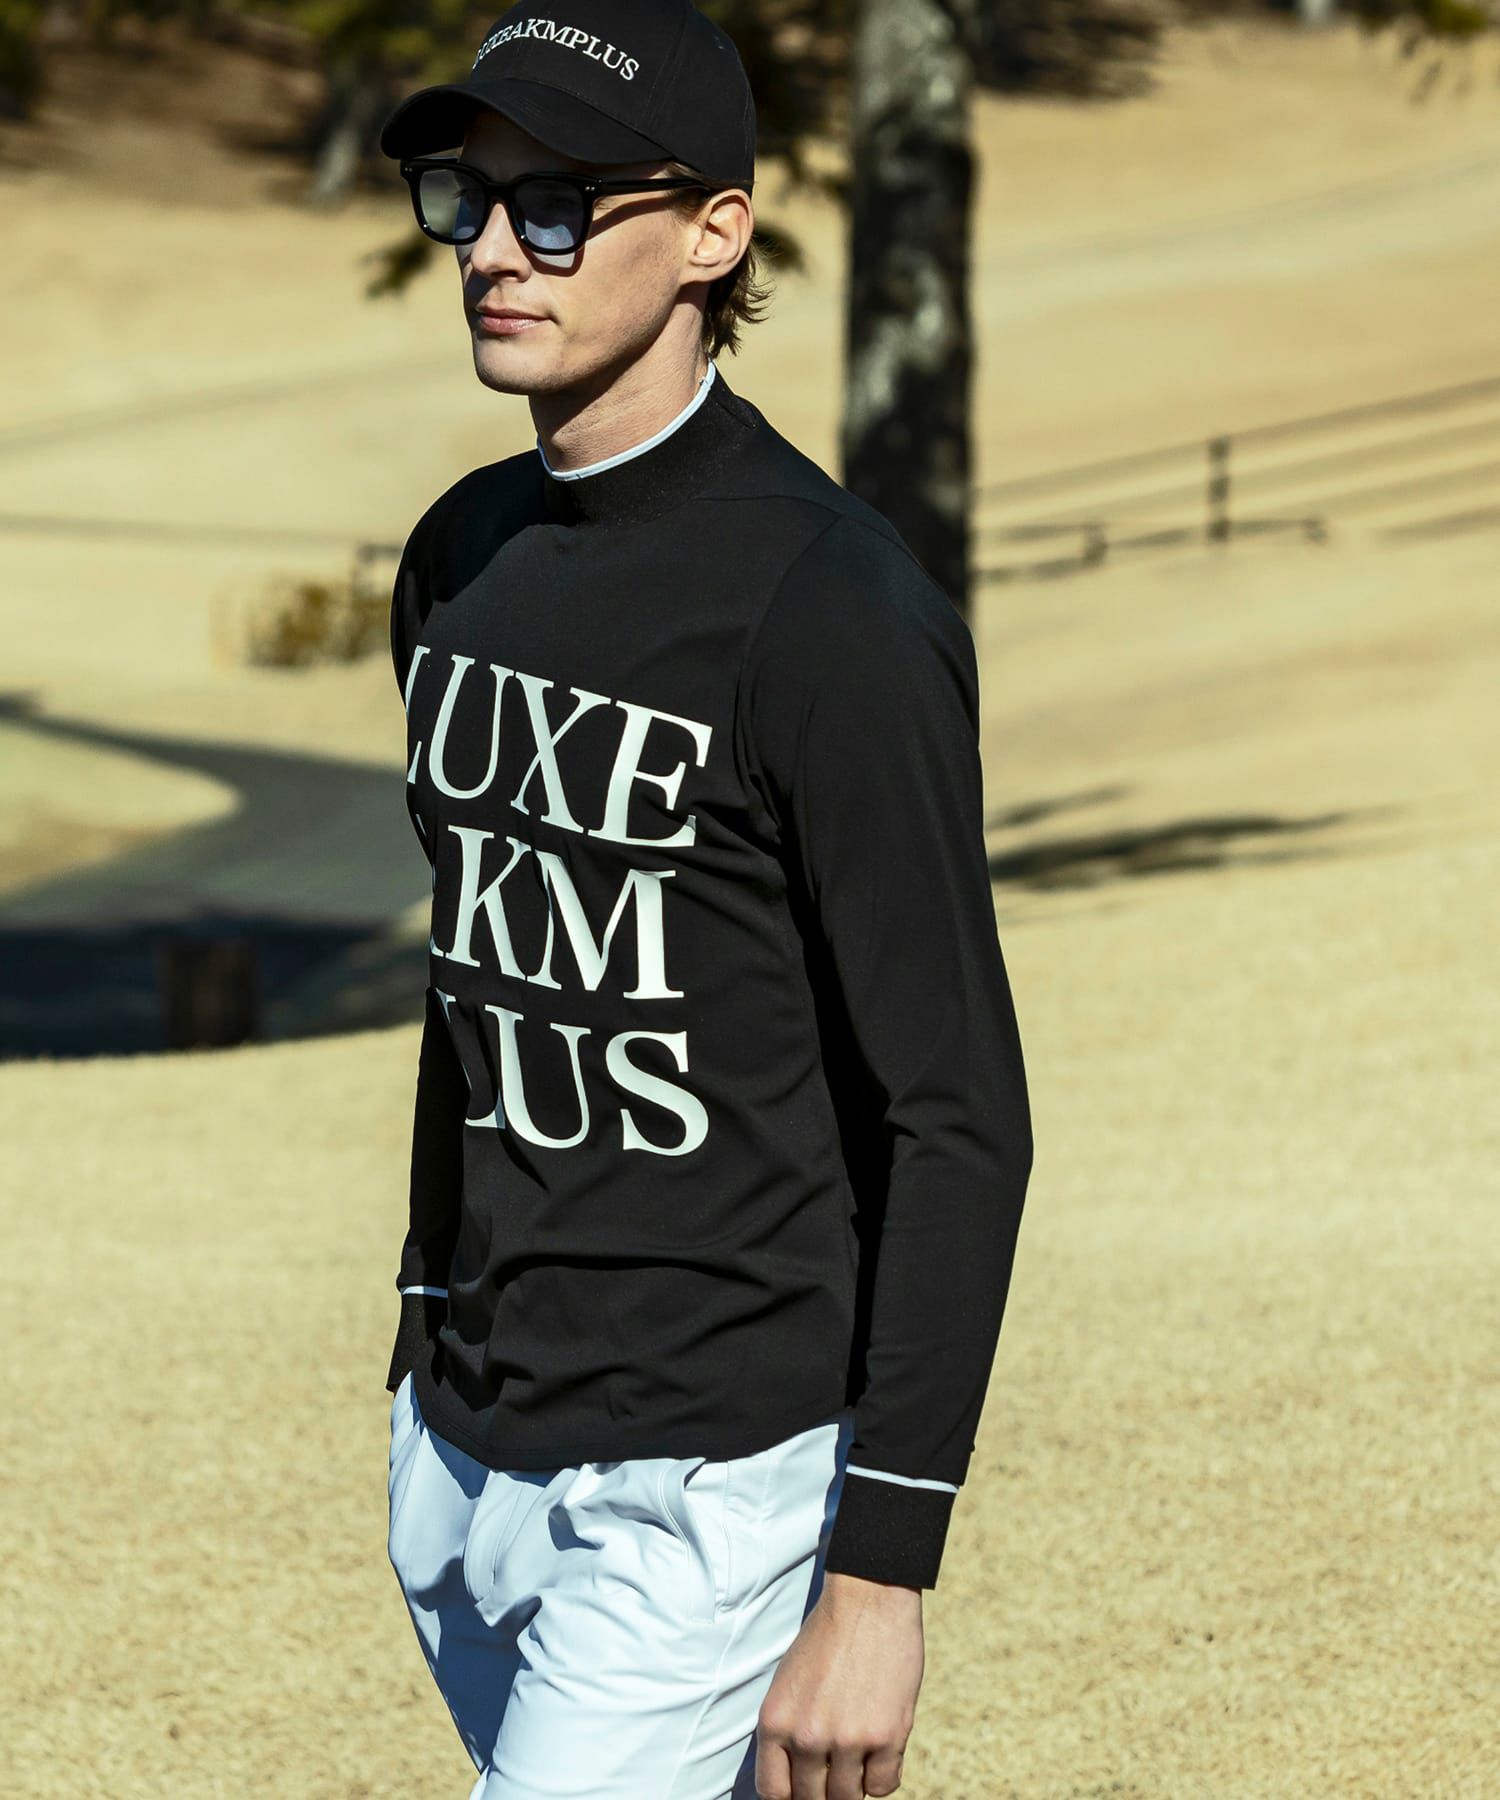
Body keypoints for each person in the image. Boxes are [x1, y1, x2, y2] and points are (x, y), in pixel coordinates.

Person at [375, 3, 1034, 1796]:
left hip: (708, 1485)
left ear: (715, 234)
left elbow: (958, 1115)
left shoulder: (835, 615)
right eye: (470, 197)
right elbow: (478, 972)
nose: (494, 249)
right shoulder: (457, 562)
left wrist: (879, 1574)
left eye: (558, 205)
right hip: (464, 1452)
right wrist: (425, 1324)